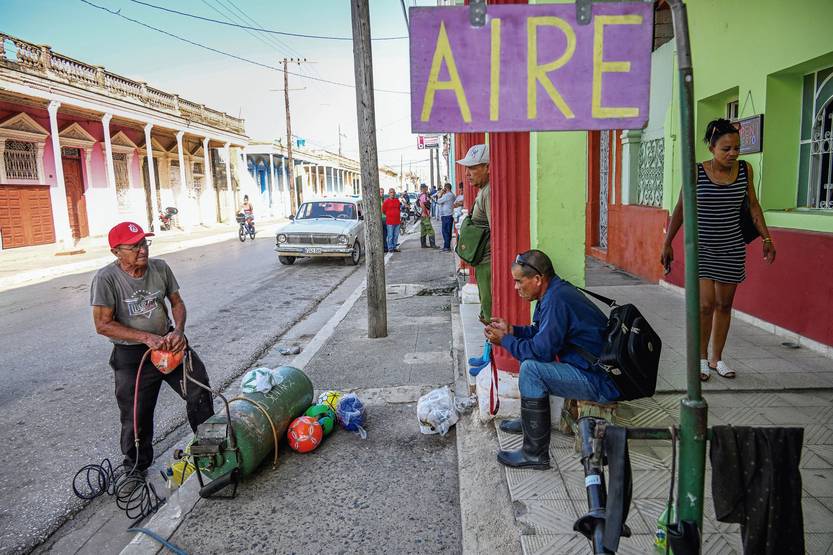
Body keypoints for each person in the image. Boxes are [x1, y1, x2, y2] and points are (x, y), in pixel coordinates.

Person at [90, 222, 214, 475]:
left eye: (144, 244)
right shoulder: (106, 279)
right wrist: (144, 337)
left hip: (168, 343)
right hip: (133, 355)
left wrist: (178, 330)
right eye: (134, 246)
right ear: (116, 252)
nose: (142, 250)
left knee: (198, 390)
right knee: (136, 415)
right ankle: (136, 467)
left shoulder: (160, 268)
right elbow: (102, 325)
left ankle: (211, 452)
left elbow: (177, 303)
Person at [661, 118, 776, 381]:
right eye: (726, 148)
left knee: (724, 305)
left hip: (732, 247)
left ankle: (717, 358)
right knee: (705, 305)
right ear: (711, 148)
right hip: (701, 247)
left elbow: (754, 206)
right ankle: (701, 359)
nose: (733, 153)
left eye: (736, 148)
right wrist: (667, 242)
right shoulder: (696, 171)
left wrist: (767, 239)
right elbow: (681, 208)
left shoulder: (745, 171)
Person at [484, 250, 620, 470]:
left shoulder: (556, 300)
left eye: (519, 282)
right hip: (590, 370)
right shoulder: (553, 292)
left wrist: (506, 341)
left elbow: (541, 352)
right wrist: (512, 331)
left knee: (531, 367)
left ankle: (535, 454)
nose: (516, 288)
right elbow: (540, 334)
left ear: (537, 279)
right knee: (527, 355)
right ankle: (530, 423)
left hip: (600, 380)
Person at [456, 144, 491, 321]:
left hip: (488, 264)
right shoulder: (483, 191)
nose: (467, 174)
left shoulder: (489, 193)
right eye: (466, 168)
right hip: (482, 262)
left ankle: (493, 349)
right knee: (486, 311)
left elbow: (496, 231)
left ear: (488, 167)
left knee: (490, 314)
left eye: (472, 168)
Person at [436, 183, 456, 252]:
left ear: (446, 188)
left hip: (446, 215)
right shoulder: (452, 195)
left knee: (445, 231)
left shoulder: (447, 195)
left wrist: (440, 194)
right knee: (448, 231)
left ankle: (446, 247)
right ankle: (446, 246)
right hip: (449, 214)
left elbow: (438, 201)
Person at [418, 183, 438, 248]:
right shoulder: (423, 196)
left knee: (423, 230)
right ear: (423, 188)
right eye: (426, 187)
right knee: (430, 230)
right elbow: (422, 205)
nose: (427, 188)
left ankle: (423, 244)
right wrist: (426, 213)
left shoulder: (423, 195)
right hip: (425, 215)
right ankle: (433, 245)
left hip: (423, 215)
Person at [382, 188, 402, 252]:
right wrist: (389, 215)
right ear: (389, 193)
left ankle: (394, 247)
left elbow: (399, 209)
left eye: (393, 192)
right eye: (391, 192)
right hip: (390, 221)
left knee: (396, 235)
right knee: (390, 236)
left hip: (397, 221)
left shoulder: (397, 201)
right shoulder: (386, 202)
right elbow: (383, 211)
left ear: (395, 193)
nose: (392, 194)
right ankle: (390, 248)